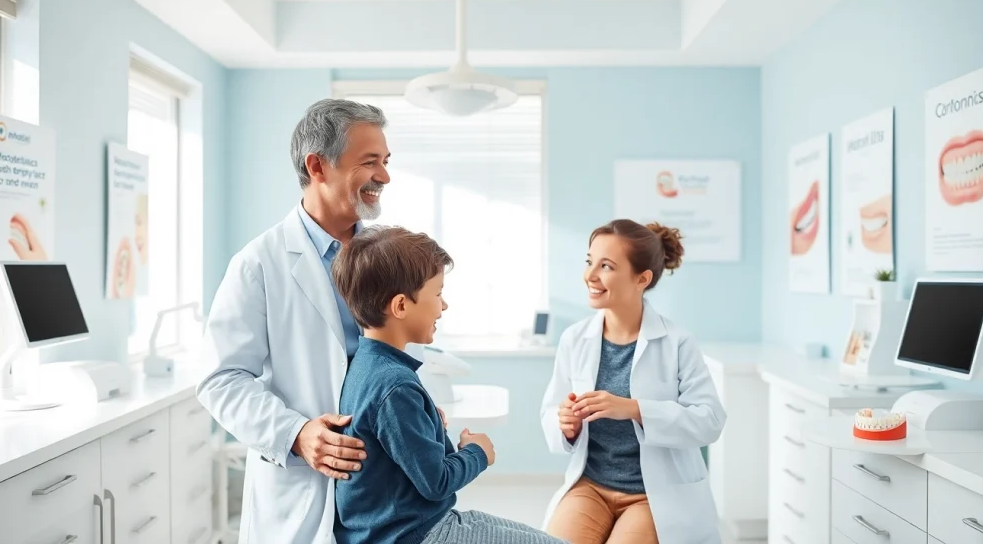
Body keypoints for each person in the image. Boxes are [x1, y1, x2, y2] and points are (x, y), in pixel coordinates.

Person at [196, 99, 392, 544]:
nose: (384, 176)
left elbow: (401, 347)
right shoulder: (258, 264)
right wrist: (296, 433)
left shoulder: (389, 252)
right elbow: (221, 379)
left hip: (382, 487)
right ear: (317, 166)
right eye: (369, 162)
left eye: (385, 161)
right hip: (304, 489)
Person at [330, 225, 568, 544]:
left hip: (410, 527)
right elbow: (437, 483)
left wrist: (429, 426)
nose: (444, 306)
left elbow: (401, 454)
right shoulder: (393, 385)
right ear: (401, 306)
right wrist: (477, 452)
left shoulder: (367, 364)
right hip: (417, 535)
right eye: (438, 294)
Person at [540, 219, 726, 544]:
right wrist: (566, 425)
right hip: (592, 486)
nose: (590, 275)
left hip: (654, 494)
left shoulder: (677, 342)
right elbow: (551, 412)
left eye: (606, 266)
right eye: (589, 262)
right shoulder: (575, 339)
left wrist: (634, 409)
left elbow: (710, 422)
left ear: (641, 279)